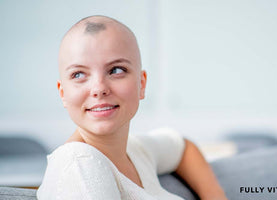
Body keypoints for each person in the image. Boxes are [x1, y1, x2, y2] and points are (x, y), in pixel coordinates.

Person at [37, 15, 227, 200]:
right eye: (78, 74)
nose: (99, 88)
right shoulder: (79, 164)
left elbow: (182, 147)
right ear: (63, 93)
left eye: (116, 70)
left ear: (141, 85)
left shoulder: (135, 151)